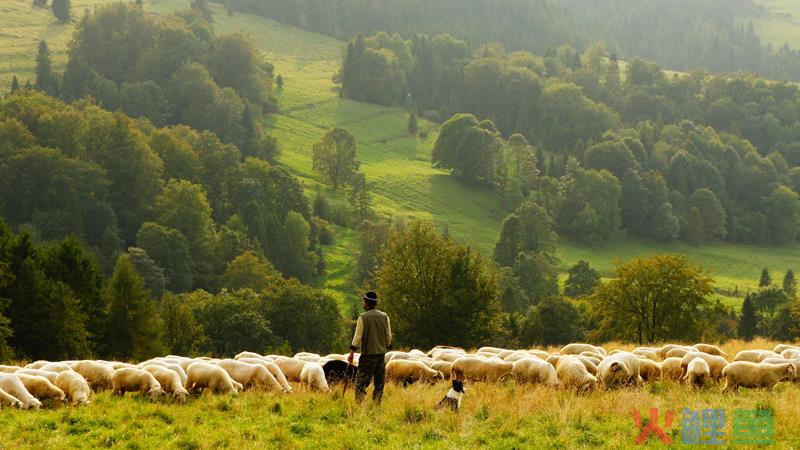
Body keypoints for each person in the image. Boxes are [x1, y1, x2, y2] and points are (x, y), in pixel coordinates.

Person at [348, 291, 392, 403]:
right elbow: (388, 335)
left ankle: (360, 405)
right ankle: (376, 404)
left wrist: (352, 352)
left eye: (363, 301)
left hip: (368, 355)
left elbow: (357, 337)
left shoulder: (363, 317)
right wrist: (387, 345)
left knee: (361, 382)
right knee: (379, 383)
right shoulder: (384, 316)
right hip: (381, 355)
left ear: (366, 303)